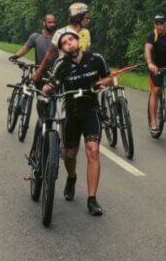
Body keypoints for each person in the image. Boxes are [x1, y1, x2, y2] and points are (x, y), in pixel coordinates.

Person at [42, 28, 112, 216]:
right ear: (62, 48)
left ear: (78, 40)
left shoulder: (96, 58)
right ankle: (72, 178)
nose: (69, 43)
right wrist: (46, 89)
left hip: (91, 111)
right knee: (70, 155)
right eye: (64, 43)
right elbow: (52, 83)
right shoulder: (61, 65)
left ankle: (92, 199)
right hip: (71, 114)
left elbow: (110, 78)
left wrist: (103, 83)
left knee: (92, 150)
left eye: (71, 39)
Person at [33, 2, 90, 84]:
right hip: (63, 73)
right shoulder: (61, 32)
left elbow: (87, 54)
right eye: (87, 17)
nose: (89, 20)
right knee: (46, 90)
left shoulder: (86, 33)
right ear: (79, 18)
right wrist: (38, 72)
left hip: (81, 73)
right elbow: (49, 54)